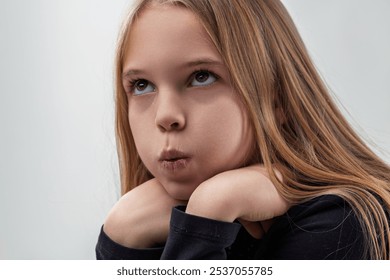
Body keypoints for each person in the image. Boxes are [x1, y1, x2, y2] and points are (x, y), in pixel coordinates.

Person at [95, 0, 390, 260]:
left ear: (278, 99)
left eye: (201, 77)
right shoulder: (145, 224)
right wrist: (123, 235)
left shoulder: (344, 226)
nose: (166, 116)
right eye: (142, 85)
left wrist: (211, 209)